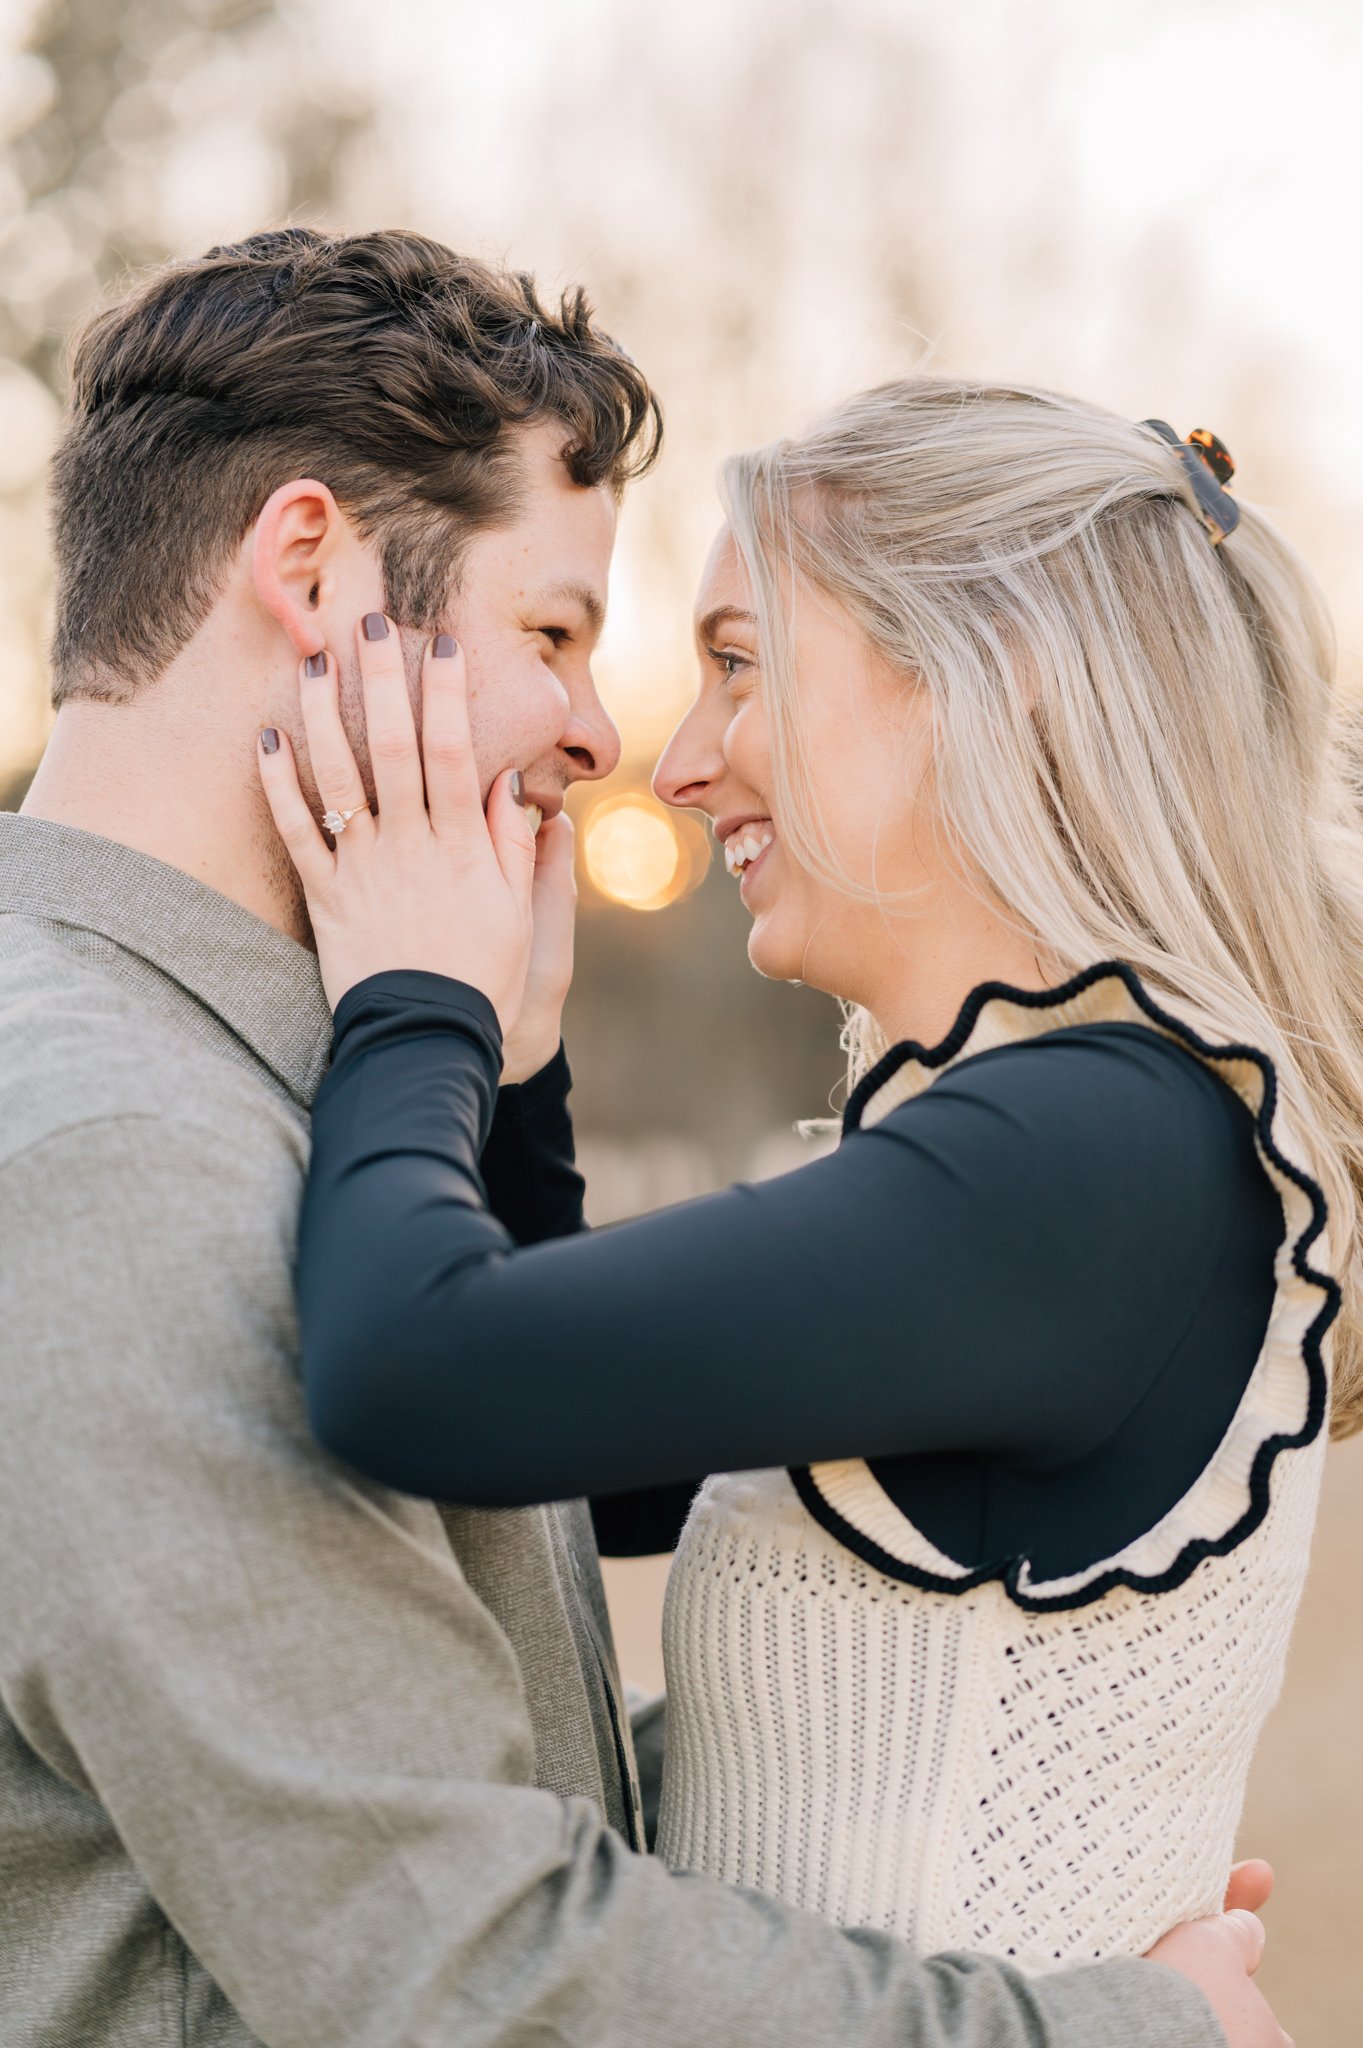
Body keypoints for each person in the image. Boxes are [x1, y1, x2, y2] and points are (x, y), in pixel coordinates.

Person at [0, 230, 1268, 2048]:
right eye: (555, 634)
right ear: (311, 570)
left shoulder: (206, 1093)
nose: (607, 738)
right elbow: (461, 1966)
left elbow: (448, 1752)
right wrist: (1123, 2028)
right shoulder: (118, 1152)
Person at [265, 380, 1363, 2017]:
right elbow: (587, 1472)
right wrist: (520, 1054)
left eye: (736, 663)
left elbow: (412, 1372)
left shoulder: (1088, 1155)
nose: (682, 768)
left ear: (994, 683)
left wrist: (415, 997)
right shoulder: (1092, 1135)